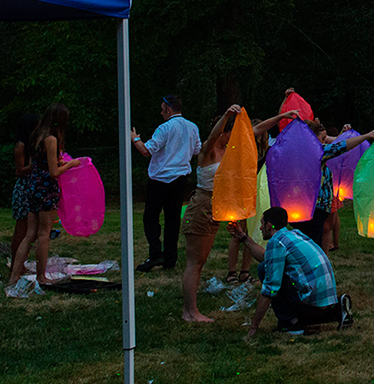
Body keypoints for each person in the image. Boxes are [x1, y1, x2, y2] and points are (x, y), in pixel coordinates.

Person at [234, 207, 352, 336]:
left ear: (268, 225)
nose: (261, 228)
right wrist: (243, 237)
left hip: (312, 304)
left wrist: (253, 327)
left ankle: (291, 323)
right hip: (325, 299)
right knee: (268, 266)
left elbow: (270, 289)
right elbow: (266, 258)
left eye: (262, 224)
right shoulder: (293, 234)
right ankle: (336, 311)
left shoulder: (277, 242)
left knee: (264, 270)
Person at [221, 106, 304, 283]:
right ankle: (231, 272)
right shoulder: (242, 144)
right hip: (240, 194)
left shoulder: (267, 151)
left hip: (256, 196)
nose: (257, 135)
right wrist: (282, 115)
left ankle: (244, 271)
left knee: (249, 233)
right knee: (237, 232)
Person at [7, 103, 82, 295]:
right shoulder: (51, 139)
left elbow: (37, 164)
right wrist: (71, 164)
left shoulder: (35, 136)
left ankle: (13, 276)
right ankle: (41, 276)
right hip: (46, 189)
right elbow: (53, 172)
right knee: (43, 234)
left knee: (30, 233)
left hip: (32, 187)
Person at [182, 104, 244, 323]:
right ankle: (190, 312)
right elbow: (213, 134)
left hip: (214, 207)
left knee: (200, 261)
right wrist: (228, 114)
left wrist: (282, 115)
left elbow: (255, 132)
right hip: (201, 206)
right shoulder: (208, 150)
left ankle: (191, 309)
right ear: (224, 131)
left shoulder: (228, 151)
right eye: (230, 132)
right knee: (194, 263)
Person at [129, 94, 201, 274]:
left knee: (151, 217)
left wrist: (134, 138)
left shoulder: (165, 128)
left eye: (162, 109)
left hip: (160, 178)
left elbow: (147, 151)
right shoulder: (192, 127)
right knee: (172, 219)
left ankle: (155, 253)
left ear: (169, 109)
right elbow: (196, 151)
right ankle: (170, 257)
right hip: (180, 179)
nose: (161, 113)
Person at [298, 119, 374, 251]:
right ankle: (316, 266)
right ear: (313, 138)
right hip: (315, 207)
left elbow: (337, 144)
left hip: (310, 205)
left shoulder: (302, 151)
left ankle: (319, 263)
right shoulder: (317, 152)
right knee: (312, 243)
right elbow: (341, 147)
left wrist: (343, 134)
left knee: (313, 239)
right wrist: (366, 136)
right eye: (323, 138)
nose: (325, 141)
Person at [7, 111, 39, 281]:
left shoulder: (33, 144)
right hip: (23, 189)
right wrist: (35, 165)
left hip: (32, 187)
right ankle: (15, 265)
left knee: (30, 230)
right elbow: (19, 171)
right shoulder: (21, 145)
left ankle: (22, 262)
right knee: (21, 229)